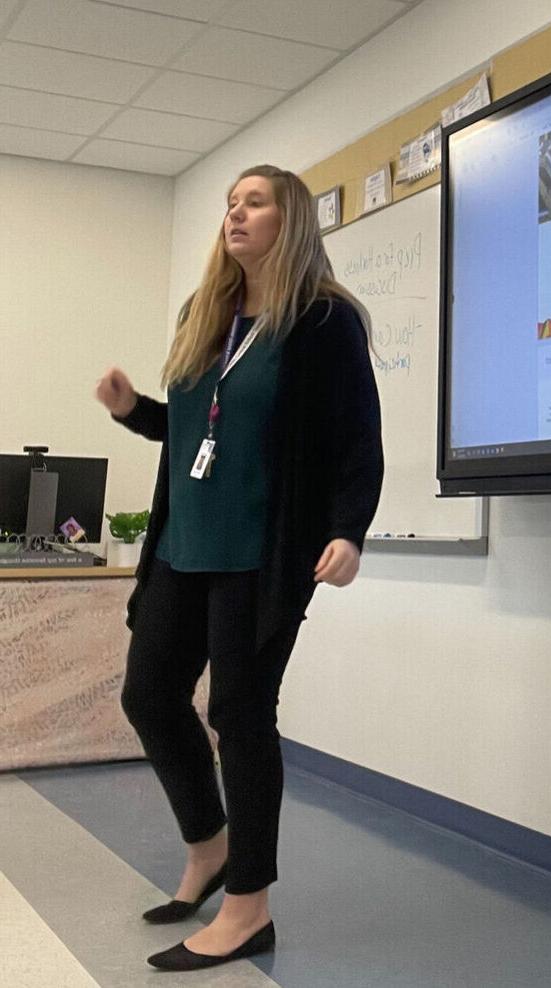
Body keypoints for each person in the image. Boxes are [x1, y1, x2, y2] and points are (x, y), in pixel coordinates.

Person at [95, 164, 383, 971]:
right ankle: (209, 846)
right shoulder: (204, 313)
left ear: (290, 219)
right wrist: (132, 412)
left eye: (253, 202)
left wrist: (350, 531)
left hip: (263, 553)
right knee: (148, 694)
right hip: (183, 545)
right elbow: (195, 430)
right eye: (230, 203)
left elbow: (358, 440)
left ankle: (249, 907)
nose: (235, 214)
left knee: (241, 717)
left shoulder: (322, 321)